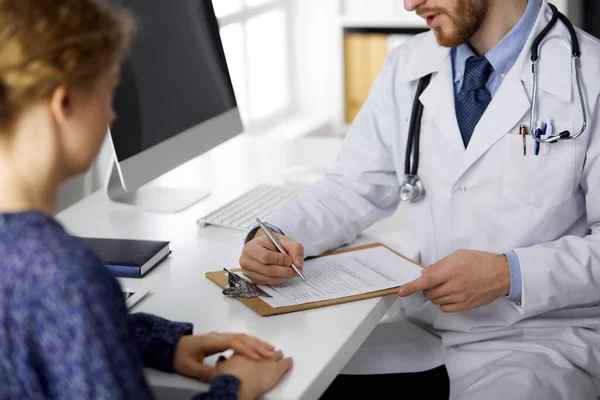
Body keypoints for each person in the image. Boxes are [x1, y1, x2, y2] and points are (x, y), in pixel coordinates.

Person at [240, 0, 600, 398]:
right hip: (423, 325)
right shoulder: (407, 64)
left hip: (541, 340)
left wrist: (508, 273)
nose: (409, 3)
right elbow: (353, 185)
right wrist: (275, 234)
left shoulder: (591, 77)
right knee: (279, 380)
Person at [0, 0, 292, 399]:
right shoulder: (64, 278)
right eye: (109, 92)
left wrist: (163, 344)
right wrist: (236, 388)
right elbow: (63, 313)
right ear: (63, 103)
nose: (112, 115)